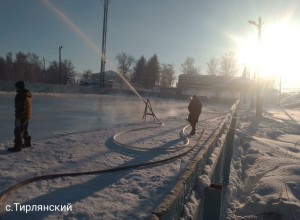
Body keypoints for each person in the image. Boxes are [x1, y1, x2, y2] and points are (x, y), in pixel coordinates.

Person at [8, 81, 32, 152]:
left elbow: (21, 108)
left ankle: (17, 147)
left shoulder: (21, 95)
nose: (15, 88)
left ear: (19, 87)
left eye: (16, 87)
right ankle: (27, 143)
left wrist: (18, 118)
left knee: (18, 131)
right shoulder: (28, 94)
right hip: (27, 115)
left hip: (22, 116)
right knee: (24, 130)